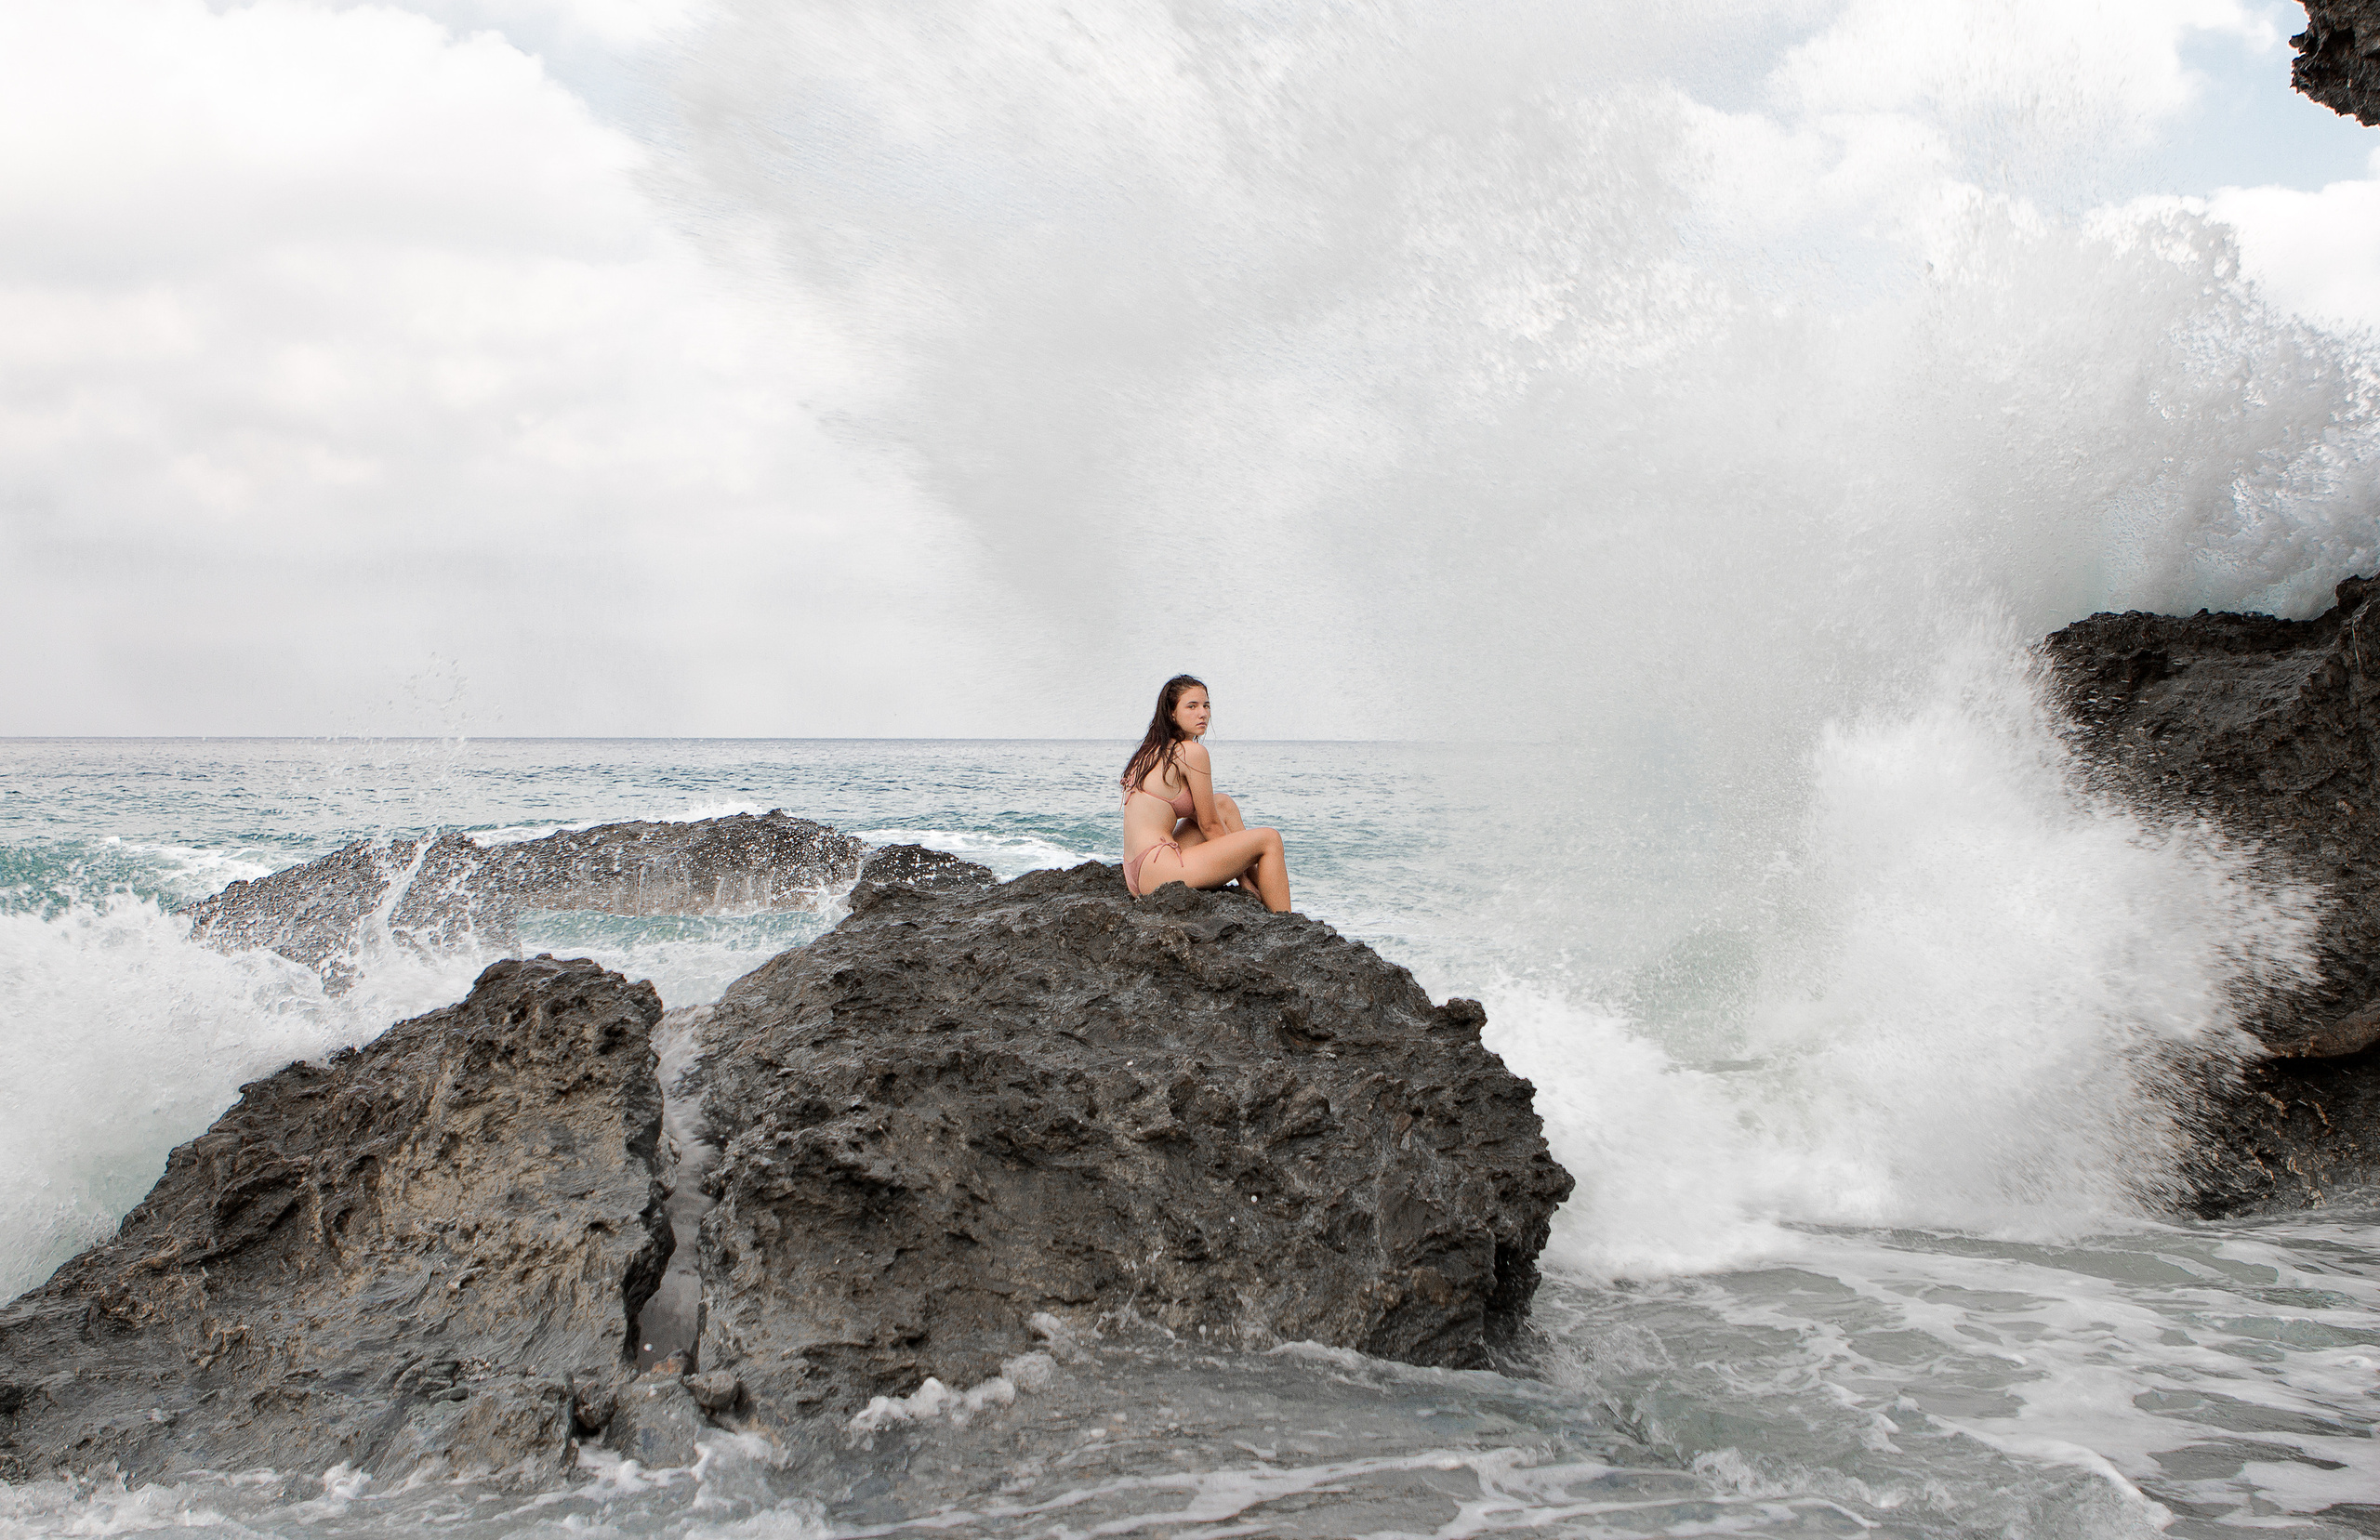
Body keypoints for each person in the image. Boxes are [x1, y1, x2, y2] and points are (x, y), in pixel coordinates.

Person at [1119, 675, 1292, 912]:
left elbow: (1205, 815)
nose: (1202, 714)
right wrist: (1241, 877)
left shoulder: (1151, 750)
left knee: (1222, 803)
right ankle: (1284, 920)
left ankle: (1262, 889)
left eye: (1206, 706)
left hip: (1136, 870)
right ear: (1172, 713)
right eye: (1192, 706)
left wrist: (1243, 868)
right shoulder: (1191, 752)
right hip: (1158, 870)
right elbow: (1209, 825)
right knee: (1270, 839)